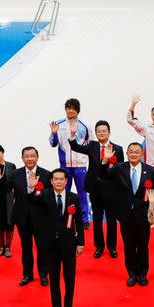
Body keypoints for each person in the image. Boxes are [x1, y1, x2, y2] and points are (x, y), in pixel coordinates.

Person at [102, 142, 154, 286]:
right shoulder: (118, 168)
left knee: (142, 246)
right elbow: (103, 175)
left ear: (142, 154)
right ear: (127, 154)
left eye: (137, 152)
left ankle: (142, 274)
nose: (134, 154)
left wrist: (153, 213)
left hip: (143, 215)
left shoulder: (151, 171)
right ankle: (132, 274)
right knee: (128, 246)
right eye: (131, 152)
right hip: (125, 214)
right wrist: (105, 160)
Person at [28, 169, 85, 307]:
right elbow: (32, 202)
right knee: (53, 277)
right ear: (51, 181)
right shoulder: (44, 195)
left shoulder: (74, 197)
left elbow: (79, 221)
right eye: (56, 179)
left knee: (69, 277)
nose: (59, 182)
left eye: (62, 179)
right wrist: (31, 188)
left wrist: (81, 243)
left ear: (66, 181)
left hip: (69, 243)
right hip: (50, 244)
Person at [69, 120, 122, 258]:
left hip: (111, 189)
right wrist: (73, 134)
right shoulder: (91, 146)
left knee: (111, 220)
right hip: (95, 187)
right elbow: (75, 147)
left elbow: (120, 170)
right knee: (97, 220)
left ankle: (112, 247)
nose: (102, 133)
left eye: (104, 131)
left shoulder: (118, 148)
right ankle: (99, 247)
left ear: (109, 132)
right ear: (96, 133)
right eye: (99, 131)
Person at [49, 98, 92, 229]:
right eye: (68, 108)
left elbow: (91, 144)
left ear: (77, 110)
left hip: (80, 165)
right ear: (66, 109)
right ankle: (62, 217)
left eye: (73, 108)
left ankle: (85, 219)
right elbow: (52, 143)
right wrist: (54, 133)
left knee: (82, 193)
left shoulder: (85, 126)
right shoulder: (58, 123)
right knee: (63, 192)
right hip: (65, 166)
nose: (70, 110)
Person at [12, 146, 51, 286]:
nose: (30, 158)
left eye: (32, 156)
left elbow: (48, 196)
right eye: (27, 156)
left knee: (42, 248)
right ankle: (27, 275)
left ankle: (43, 274)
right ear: (22, 158)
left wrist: (34, 189)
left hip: (41, 218)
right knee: (26, 248)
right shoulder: (15, 174)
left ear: (37, 157)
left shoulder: (46, 175)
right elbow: (4, 188)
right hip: (22, 218)